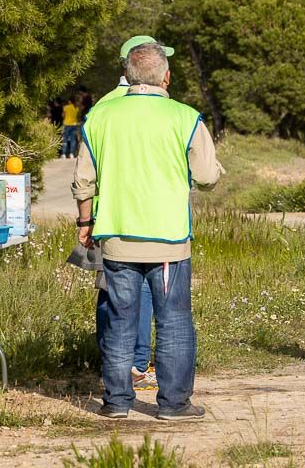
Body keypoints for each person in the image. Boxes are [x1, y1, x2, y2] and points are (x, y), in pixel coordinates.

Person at [73, 41, 223, 419]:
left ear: (127, 76)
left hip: (117, 237)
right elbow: (206, 177)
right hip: (169, 241)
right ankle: (174, 403)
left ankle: (116, 402)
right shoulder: (186, 117)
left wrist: (85, 222)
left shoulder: (101, 117)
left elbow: (83, 180)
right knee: (173, 322)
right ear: (166, 76)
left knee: (121, 321)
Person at [92, 35, 178, 392]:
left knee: (110, 292)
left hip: (106, 214)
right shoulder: (137, 105)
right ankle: (134, 364)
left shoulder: (103, 105)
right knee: (137, 293)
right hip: (134, 214)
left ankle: (116, 363)